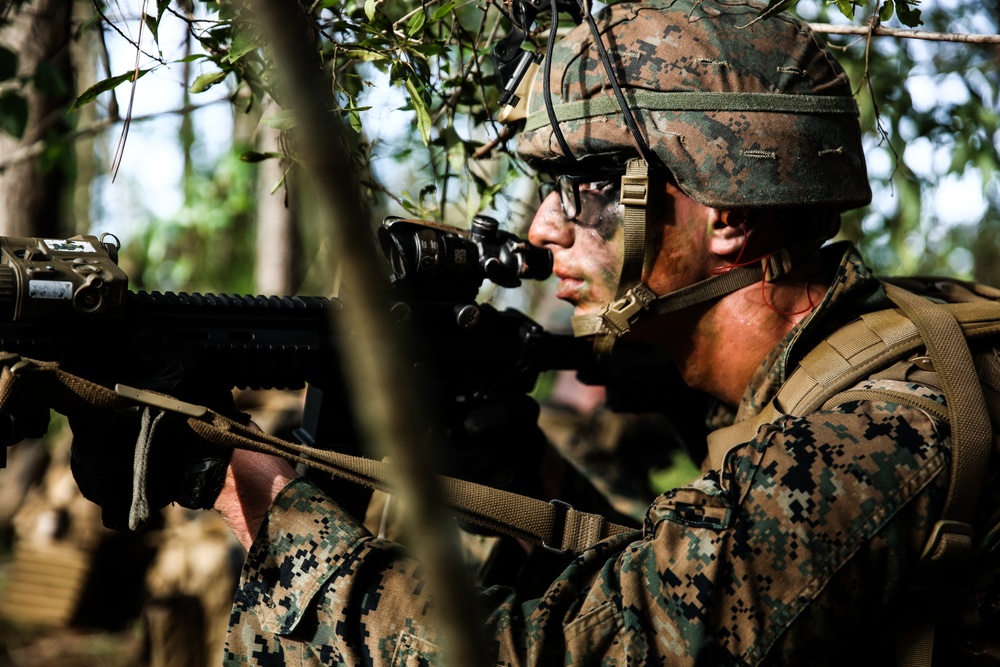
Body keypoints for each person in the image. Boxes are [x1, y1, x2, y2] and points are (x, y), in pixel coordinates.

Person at [76, 0, 1000, 663]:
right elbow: (708, 586)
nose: (545, 229)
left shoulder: (878, 432)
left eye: (590, 186)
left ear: (726, 215)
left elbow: (569, 651)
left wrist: (259, 498)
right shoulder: (866, 342)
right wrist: (528, 484)